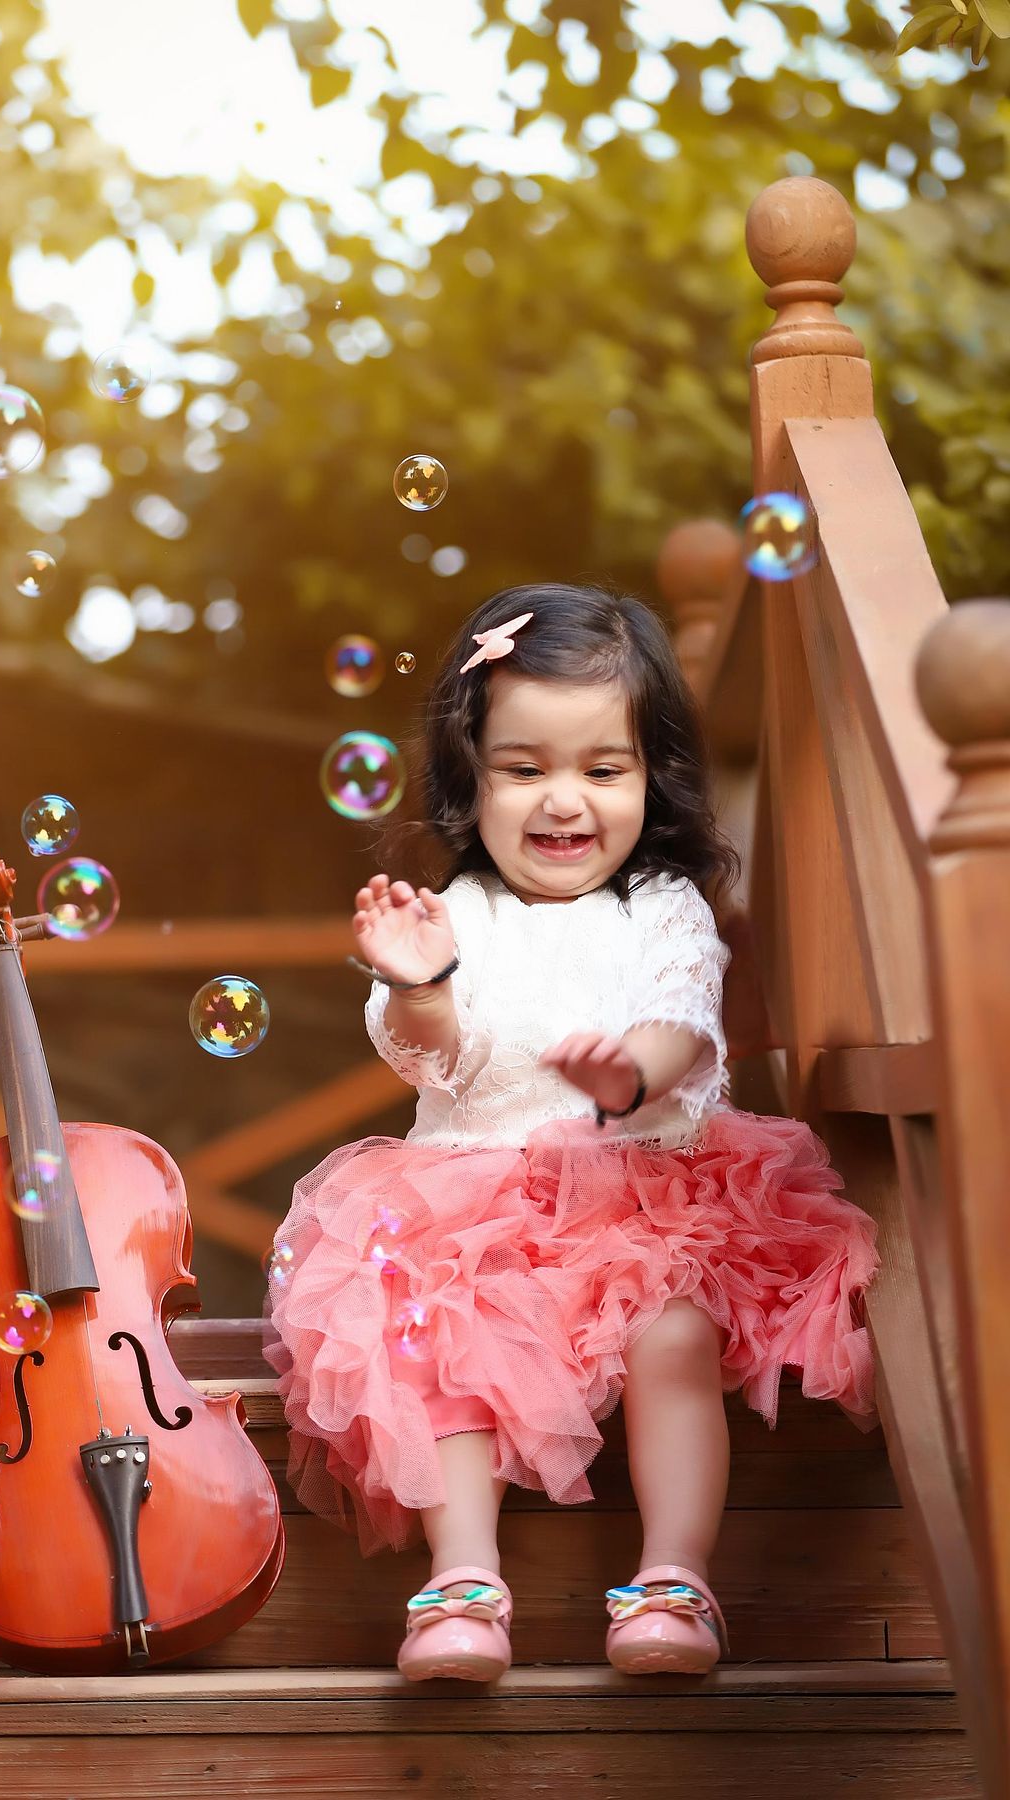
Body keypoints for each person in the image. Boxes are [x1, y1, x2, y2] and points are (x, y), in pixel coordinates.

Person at [261, 582, 880, 1685]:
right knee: (436, 1341)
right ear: (470, 775)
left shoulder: (663, 909)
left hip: (643, 1197)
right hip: (473, 1210)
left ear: (656, 777)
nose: (564, 802)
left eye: (603, 769)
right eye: (524, 767)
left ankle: (674, 1581)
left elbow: (685, 1021)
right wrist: (423, 986)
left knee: (675, 1336)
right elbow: (431, 1057)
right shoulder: (462, 914)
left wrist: (629, 1070)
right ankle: (461, 1585)